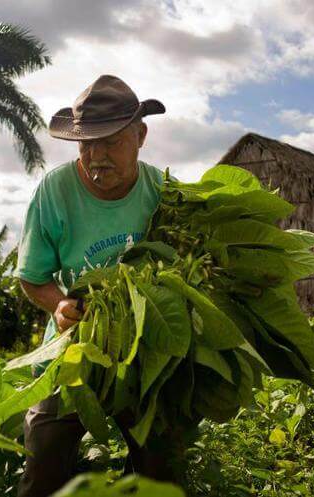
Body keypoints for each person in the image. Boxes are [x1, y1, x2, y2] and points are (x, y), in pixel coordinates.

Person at [15, 75, 188, 497]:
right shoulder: (55, 192)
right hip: (73, 347)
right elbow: (32, 277)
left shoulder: (164, 192)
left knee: (160, 472)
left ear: (141, 135)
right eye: (86, 144)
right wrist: (58, 306)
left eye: (110, 141)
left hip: (143, 353)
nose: (97, 156)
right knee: (44, 467)